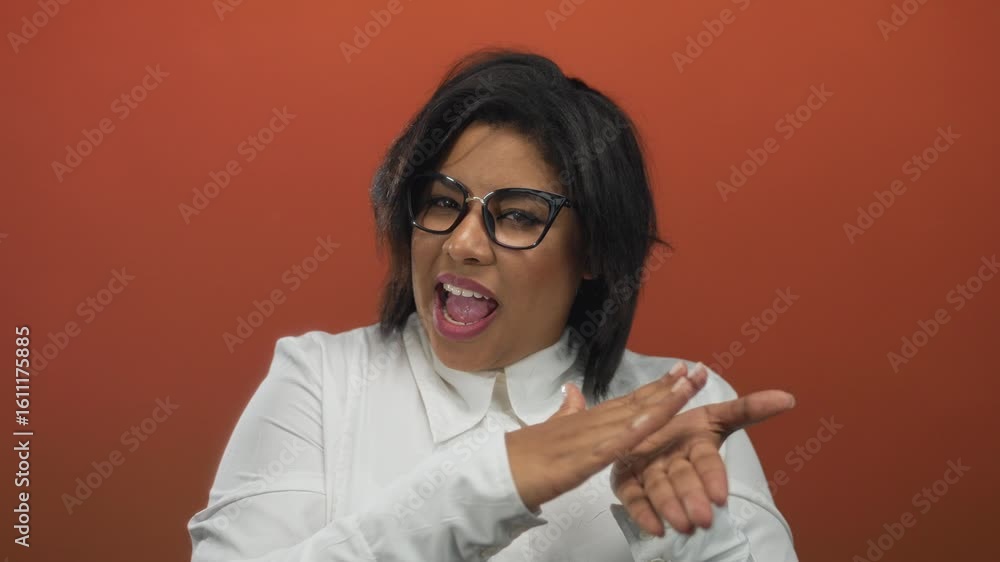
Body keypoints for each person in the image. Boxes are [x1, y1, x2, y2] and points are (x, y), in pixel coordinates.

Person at [188, 49, 799, 561]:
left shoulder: (681, 408)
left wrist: (688, 531)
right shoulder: (320, 380)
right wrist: (493, 486)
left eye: (518, 216)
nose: (462, 244)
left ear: (594, 249)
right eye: (442, 202)